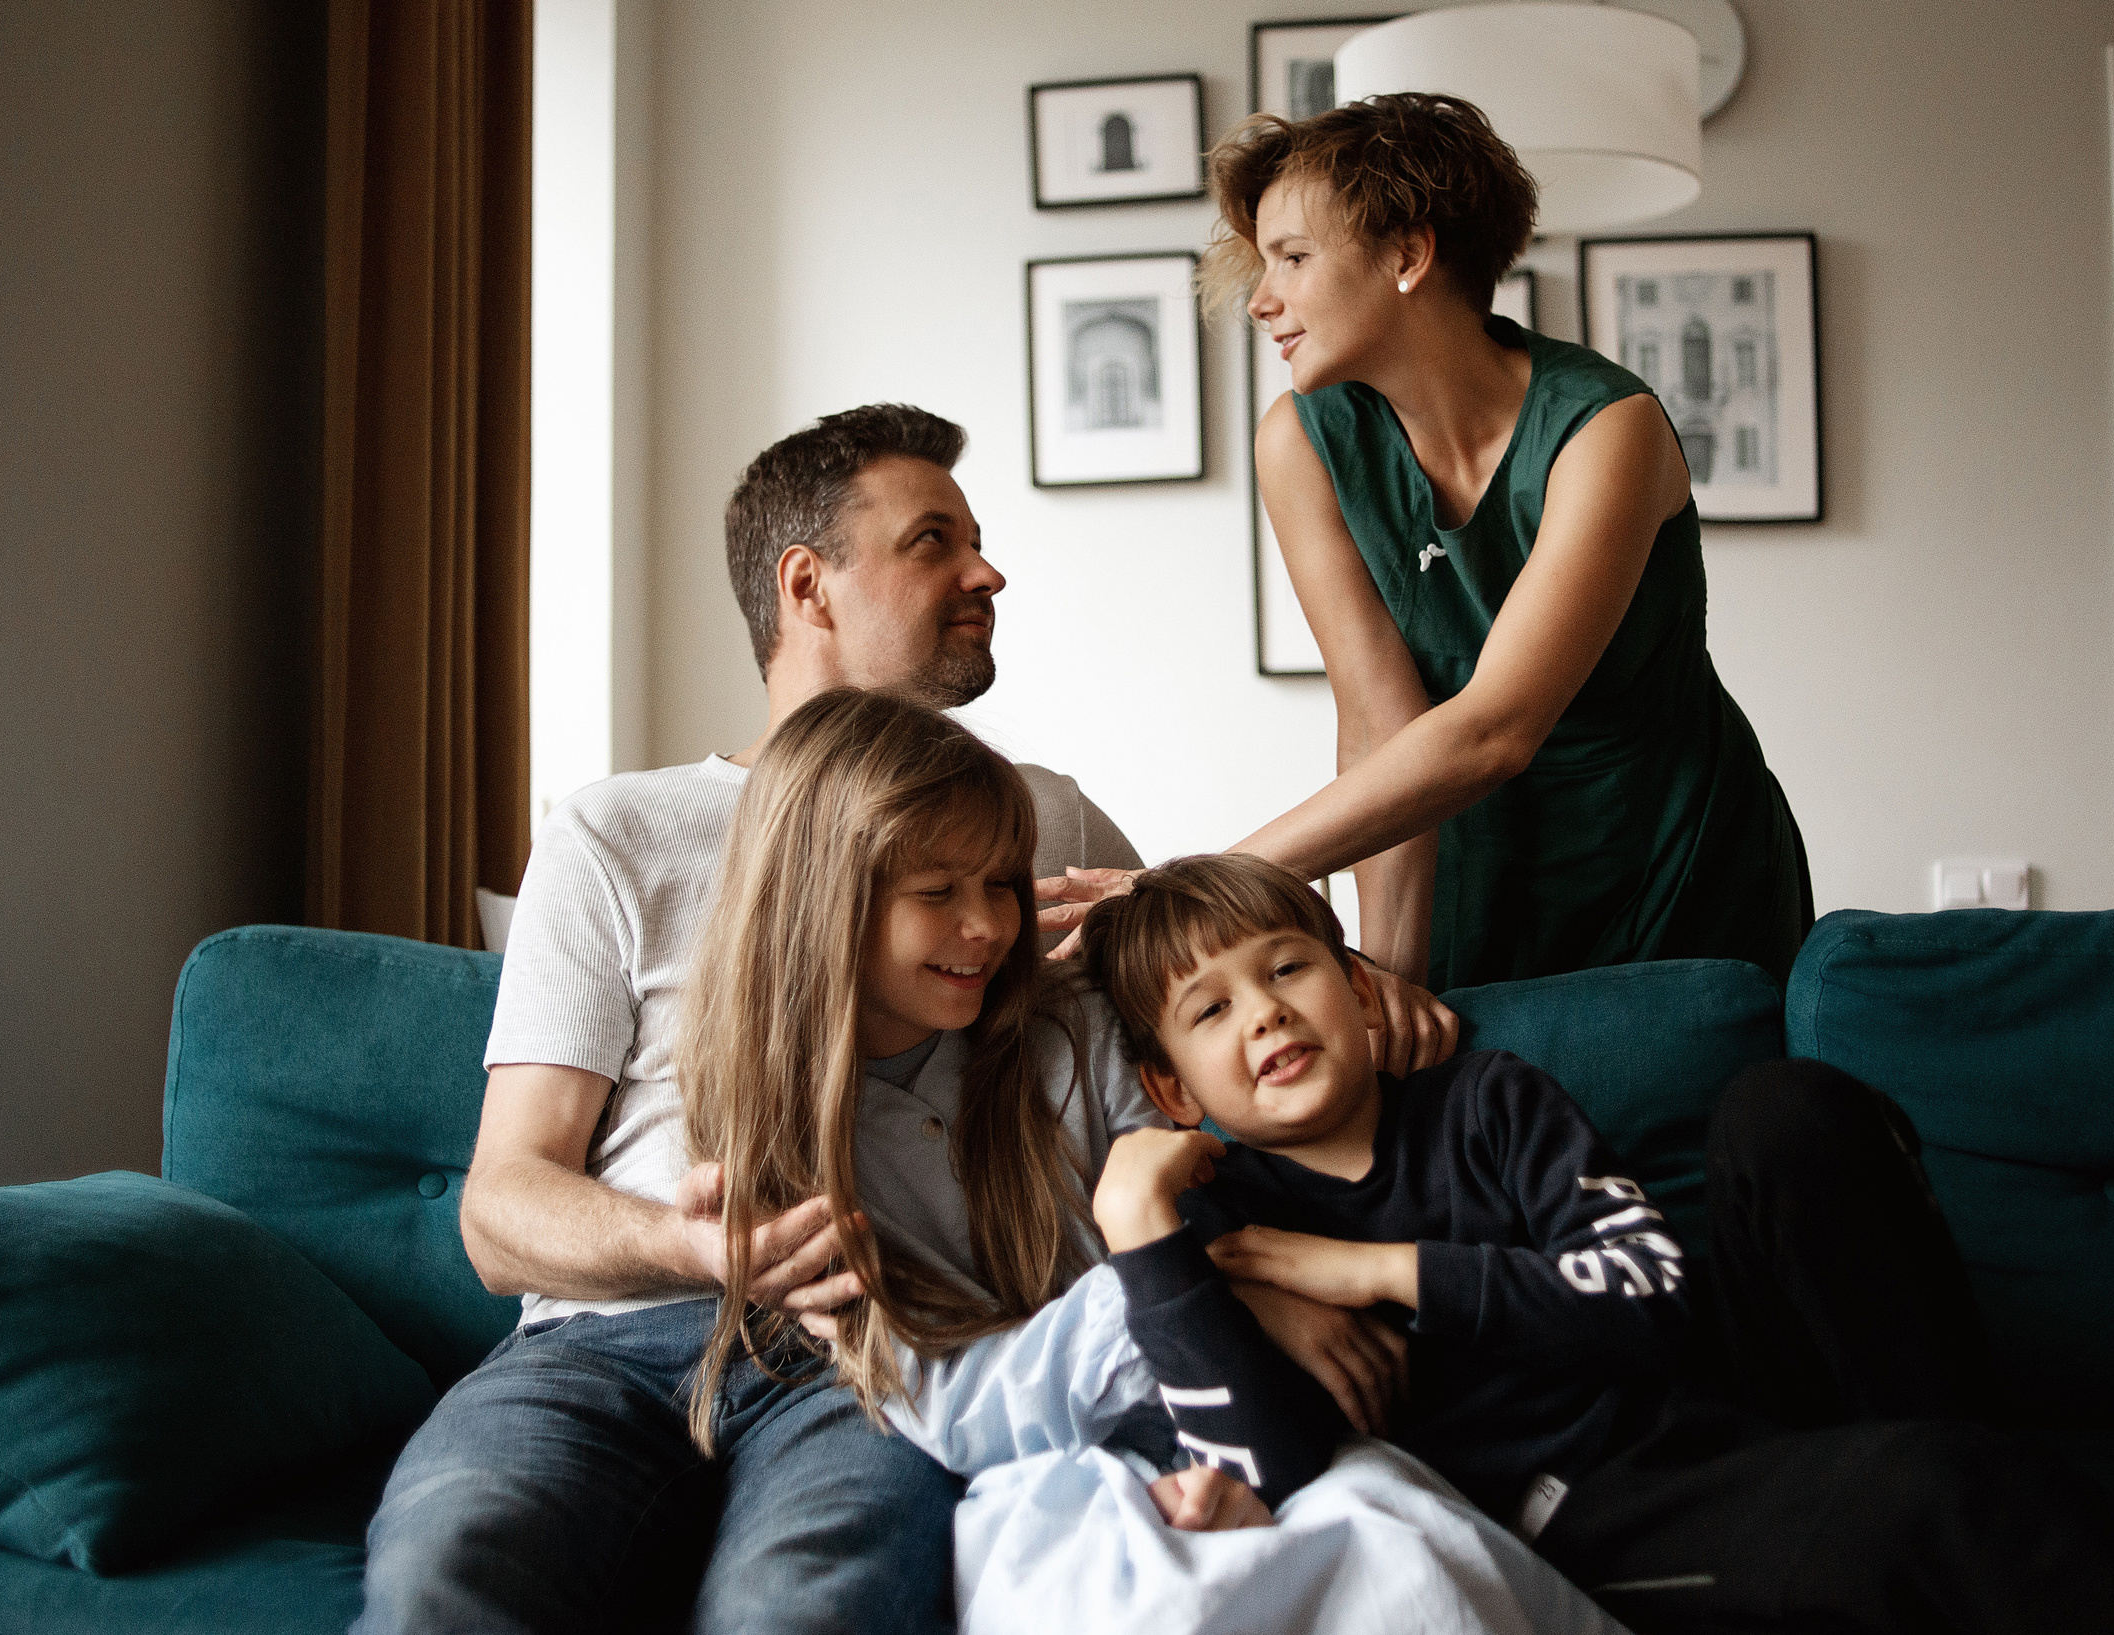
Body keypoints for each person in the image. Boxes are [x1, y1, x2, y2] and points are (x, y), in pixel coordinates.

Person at [355, 404, 1425, 1634]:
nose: (987, 572)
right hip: (604, 1350)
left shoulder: (1040, 821)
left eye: (976, 541)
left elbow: (1216, 992)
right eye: (934, 541)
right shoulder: (619, 834)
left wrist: (1348, 979)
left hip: (885, 1358)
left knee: (815, 1605)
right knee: (450, 1576)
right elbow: (501, 1210)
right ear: (808, 585)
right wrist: (701, 1246)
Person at [1076, 855, 2114, 1635]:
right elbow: (1278, 1465)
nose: (1266, 1013)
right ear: (1171, 1086)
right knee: (1931, 1497)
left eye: (1290, 967)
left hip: (1712, 1409)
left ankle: (1944, 1479)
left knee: (1787, 1106)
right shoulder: (1217, 1225)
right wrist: (1143, 1229)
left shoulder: (1490, 1102)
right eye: (1211, 1005)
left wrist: (1373, 1271)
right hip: (1586, 1514)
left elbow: (1647, 1298)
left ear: (1362, 991)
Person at [674, 688, 1618, 1635]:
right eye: (937, 893)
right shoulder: (783, 1138)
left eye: (1000, 883)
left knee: (1398, 1565)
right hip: (1035, 1477)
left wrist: (1221, 1417)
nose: (988, 926)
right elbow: (951, 1402)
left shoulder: (1071, 1025)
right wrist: (1211, 1297)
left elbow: (1206, 1183)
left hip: (1237, 1401)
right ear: (823, 903)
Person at [1044, 95, 1810, 994]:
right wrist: (1386, 981)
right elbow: (1378, 724)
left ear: (1408, 255)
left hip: (1678, 866)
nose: (1260, 299)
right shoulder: (1298, 440)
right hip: (1477, 872)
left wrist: (1192, 890)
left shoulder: (1610, 430)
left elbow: (1494, 731)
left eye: (1293, 257)